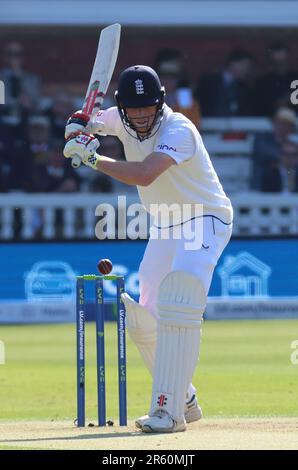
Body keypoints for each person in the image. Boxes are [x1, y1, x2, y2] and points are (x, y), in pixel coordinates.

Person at [63, 65, 233, 433]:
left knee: (181, 298)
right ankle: (183, 398)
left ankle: (167, 412)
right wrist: (78, 126)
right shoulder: (120, 118)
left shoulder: (179, 130)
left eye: (148, 109)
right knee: (145, 318)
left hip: (204, 218)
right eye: (133, 110)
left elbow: (144, 173)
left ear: (161, 104)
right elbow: (92, 120)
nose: (140, 117)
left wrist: (91, 157)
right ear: (123, 108)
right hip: (167, 222)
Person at [252, 107, 298, 192]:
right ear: (274, 123)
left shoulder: (290, 144)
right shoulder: (262, 139)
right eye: (281, 123)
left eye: (287, 125)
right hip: (261, 189)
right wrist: (286, 158)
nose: (283, 127)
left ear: (291, 128)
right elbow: (264, 151)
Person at [196, 49, 253, 117]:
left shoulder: (244, 88)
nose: (247, 70)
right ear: (233, 63)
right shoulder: (208, 82)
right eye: (245, 66)